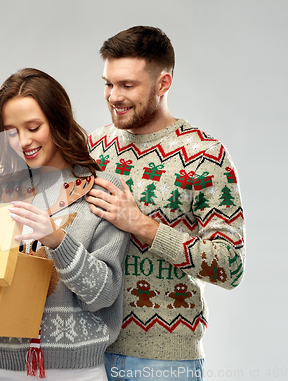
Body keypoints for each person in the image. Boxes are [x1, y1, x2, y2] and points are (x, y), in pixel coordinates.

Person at [85, 26, 246, 380]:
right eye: (108, 84)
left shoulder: (205, 156)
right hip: (87, 357)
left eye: (127, 85)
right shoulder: (93, 148)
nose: (113, 96)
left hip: (163, 364)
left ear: (163, 84)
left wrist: (142, 225)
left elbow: (231, 266)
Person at [0, 68, 130, 381]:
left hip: (77, 373)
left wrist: (57, 239)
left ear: (58, 121)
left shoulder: (102, 191)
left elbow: (103, 294)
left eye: (34, 127)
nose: (23, 141)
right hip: (0, 369)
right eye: (11, 132)